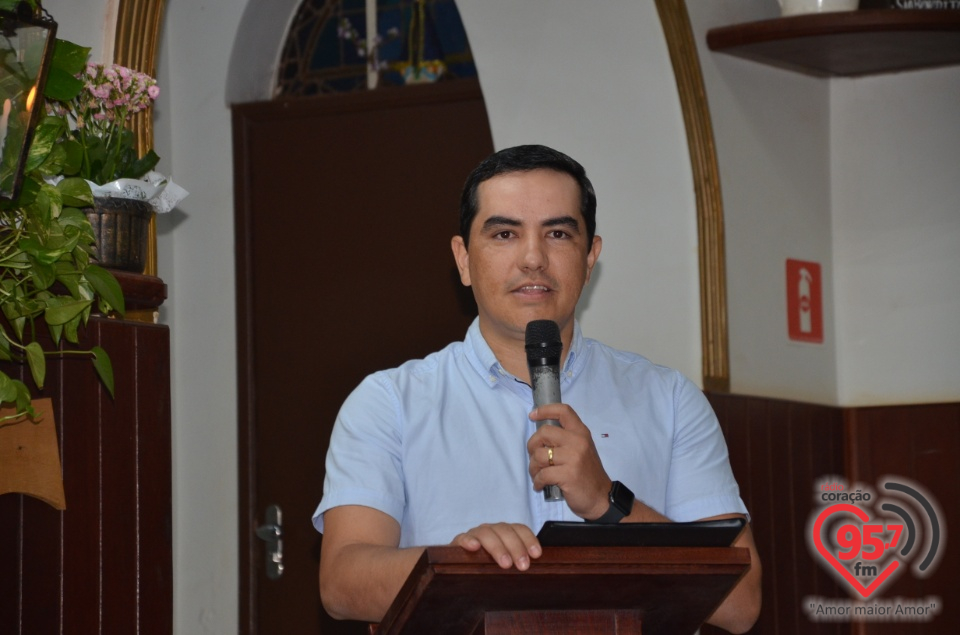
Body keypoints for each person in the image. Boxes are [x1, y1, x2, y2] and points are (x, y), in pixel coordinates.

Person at [313, 144, 761, 633]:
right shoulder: (389, 402)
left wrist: (608, 504)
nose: (533, 258)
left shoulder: (668, 399)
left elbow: (742, 603)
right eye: (505, 233)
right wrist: (468, 564)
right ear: (463, 259)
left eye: (558, 233)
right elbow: (341, 583)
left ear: (591, 257)